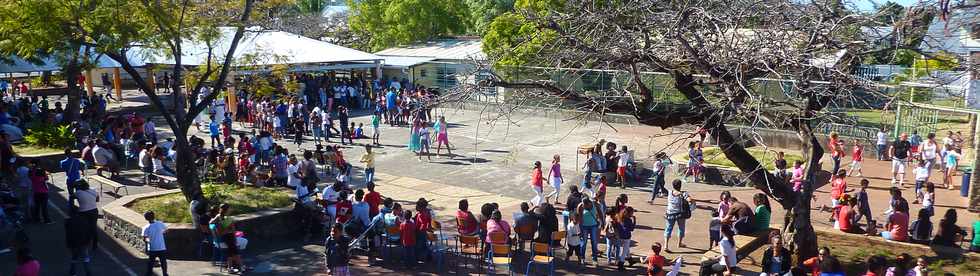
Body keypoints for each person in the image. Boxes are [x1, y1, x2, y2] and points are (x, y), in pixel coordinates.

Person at [210, 204, 245, 273]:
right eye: (229, 209)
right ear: (227, 210)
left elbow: (211, 222)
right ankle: (241, 266)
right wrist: (233, 236)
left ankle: (230, 268)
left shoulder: (218, 216)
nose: (230, 210)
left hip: (222, 239)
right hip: (229, 237)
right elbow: (233, 230)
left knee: (230, 252)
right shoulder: (229, 219)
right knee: (235, 251)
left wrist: (219, 225)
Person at [664, 179, 695, 252]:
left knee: (668, 228)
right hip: (680, 214)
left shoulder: (669, 192)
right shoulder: (683, 194)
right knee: (681, 228)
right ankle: (679, 243)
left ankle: (666, 245)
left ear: (673, 185)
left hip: (670, 213)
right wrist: (693, 201)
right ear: (680, 186)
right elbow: (689, 200)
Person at [142, 211, 169, 276]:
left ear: (146, 218)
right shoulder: (160, 223)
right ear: (154, 216)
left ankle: (149, 274)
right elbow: (166, 230)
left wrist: (148, 244)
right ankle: (165, 274)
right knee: (163, 262)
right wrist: (161, 234)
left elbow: (145, 239)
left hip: (153, 248)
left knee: (151, 263)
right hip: (162, 247)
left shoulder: (146, 227)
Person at [577, 198, 600, 262]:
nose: (583, 206)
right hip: (584, 226)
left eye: (584, 205)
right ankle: (582, 257)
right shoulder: (580, 206)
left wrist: (602, 222)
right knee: (583, 242)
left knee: (594, 242)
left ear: (588, 203)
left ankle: (595, 258)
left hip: (593, 225)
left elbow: (600, 212)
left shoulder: (594, 204)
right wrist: (579, 229)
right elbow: (579, 218)